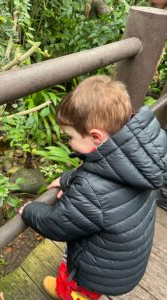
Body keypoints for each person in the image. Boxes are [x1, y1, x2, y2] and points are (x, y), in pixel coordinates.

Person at [19, 75, 167, 300]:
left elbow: (57, 224)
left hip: (97, 270)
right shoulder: (141, 156)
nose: (68, 143)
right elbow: (104, 168)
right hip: (121, 261)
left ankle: (64, 292)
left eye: (70, 137)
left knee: (76, 292)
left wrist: (30, 211)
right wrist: (68, 180)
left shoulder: (91, 190)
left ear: (96, 137)